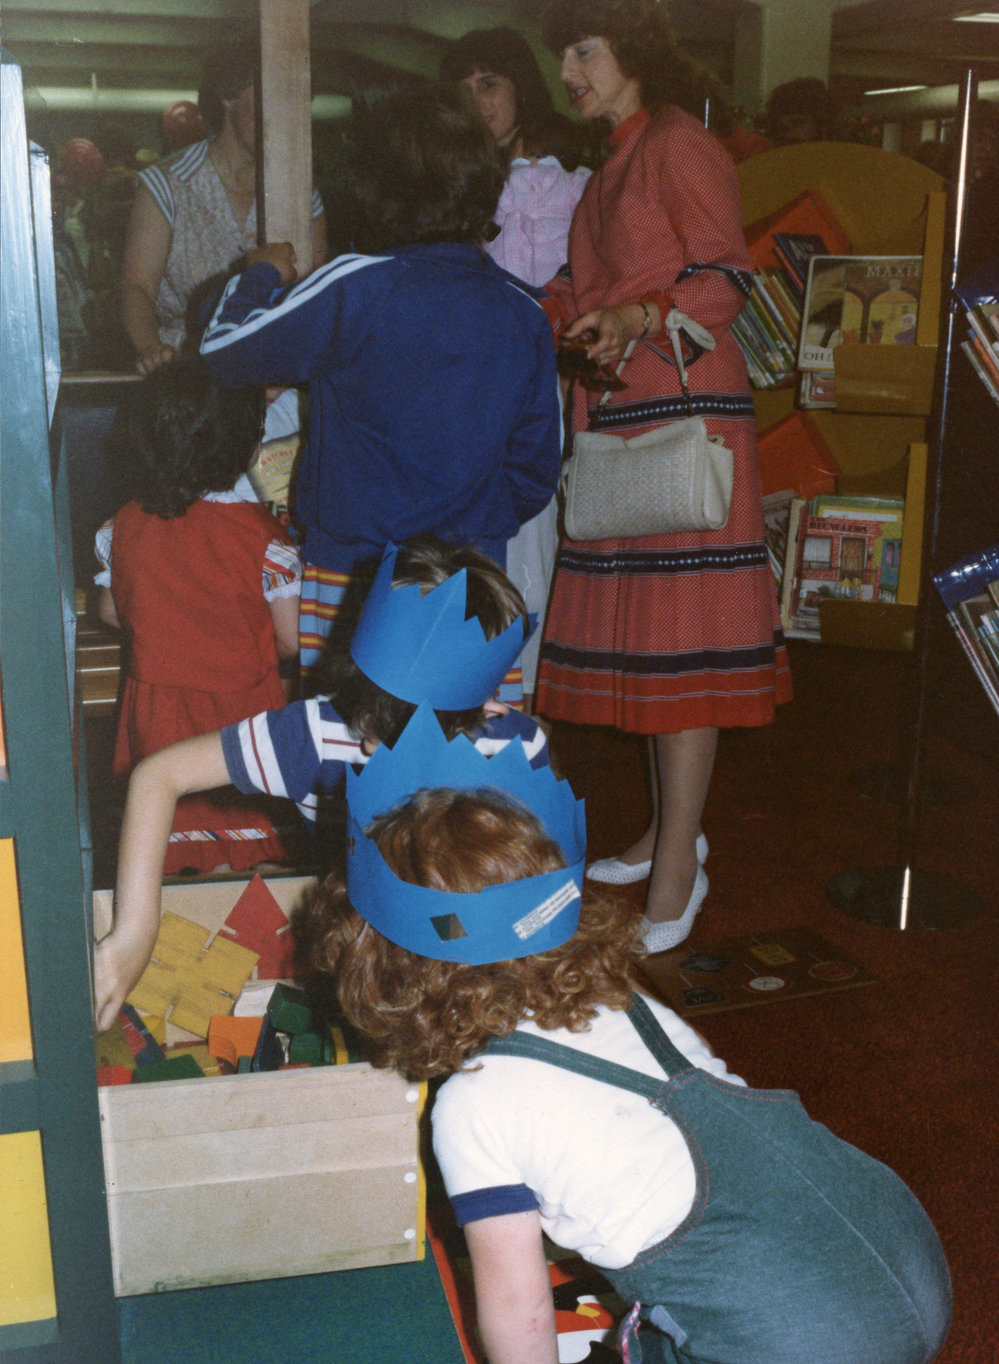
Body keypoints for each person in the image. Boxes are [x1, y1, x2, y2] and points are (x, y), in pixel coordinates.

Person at [307, 745, 952, 1364]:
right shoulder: (624, 999)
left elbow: (517, 1307)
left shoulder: (471, 1105)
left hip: (800, 1340)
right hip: (906, 1255)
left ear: (385, 973)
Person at [531, 0, 791, 952]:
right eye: (563, 49)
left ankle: (680, 857)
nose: (567, 69)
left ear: (634, 49)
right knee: (652, 644)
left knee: (681, 649)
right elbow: (601, 281)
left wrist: (635, 319)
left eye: (583, 48)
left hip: (683, 416)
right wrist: (572, 314)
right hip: (629, 413)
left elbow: (725, 281)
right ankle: (662, 833)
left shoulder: (679, 145)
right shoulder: (618, 155)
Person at [92, 535, 549, 1034]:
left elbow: (533, 893)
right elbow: (159, 774)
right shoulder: (313, 733)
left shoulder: (513, 747)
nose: (379, 755)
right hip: (362, 945)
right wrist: (134, 933)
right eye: (378, 739)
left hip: (478, 949)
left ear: (487, 704)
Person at [199, 83, 563, 696]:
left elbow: (220, 353)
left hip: (352, 581)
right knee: (459, 773)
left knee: (346, 768)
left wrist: (259, 269)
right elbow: (532, 474)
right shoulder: (521, 311)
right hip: (474, 585)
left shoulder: (357, 287)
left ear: (373, 185)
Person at [94, 356, 302, 881]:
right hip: (243, 713)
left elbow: (110, 611)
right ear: (249, 448)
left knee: (162, 832)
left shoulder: (120, 526)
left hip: (156, 712)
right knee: (250, 848)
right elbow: (291, 639)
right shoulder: (264, 539)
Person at [440, 26, 591, 713]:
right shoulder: (447, 190)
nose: (478, 104)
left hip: (563, 399)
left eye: (489, 84)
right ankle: (500, 719)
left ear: (520, 89)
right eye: (463, 90)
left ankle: (531, 737)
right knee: (492, 568)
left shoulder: (580, 182)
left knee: (553, 565)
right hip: (475, 403)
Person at [119, 34, 327, 376]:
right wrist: (153, 351)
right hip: (192, 379)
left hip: (275, 383)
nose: (285, 113)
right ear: (228, 96)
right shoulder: (167, 184)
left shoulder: (302, 195)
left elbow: (315, 295)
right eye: (272, 97)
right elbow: (136, 288)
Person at [764, 77, 839, 148]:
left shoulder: (843, 157)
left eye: (798, 124)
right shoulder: (771, 158)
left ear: (822, 124)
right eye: (783, 129)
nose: (790, 135)